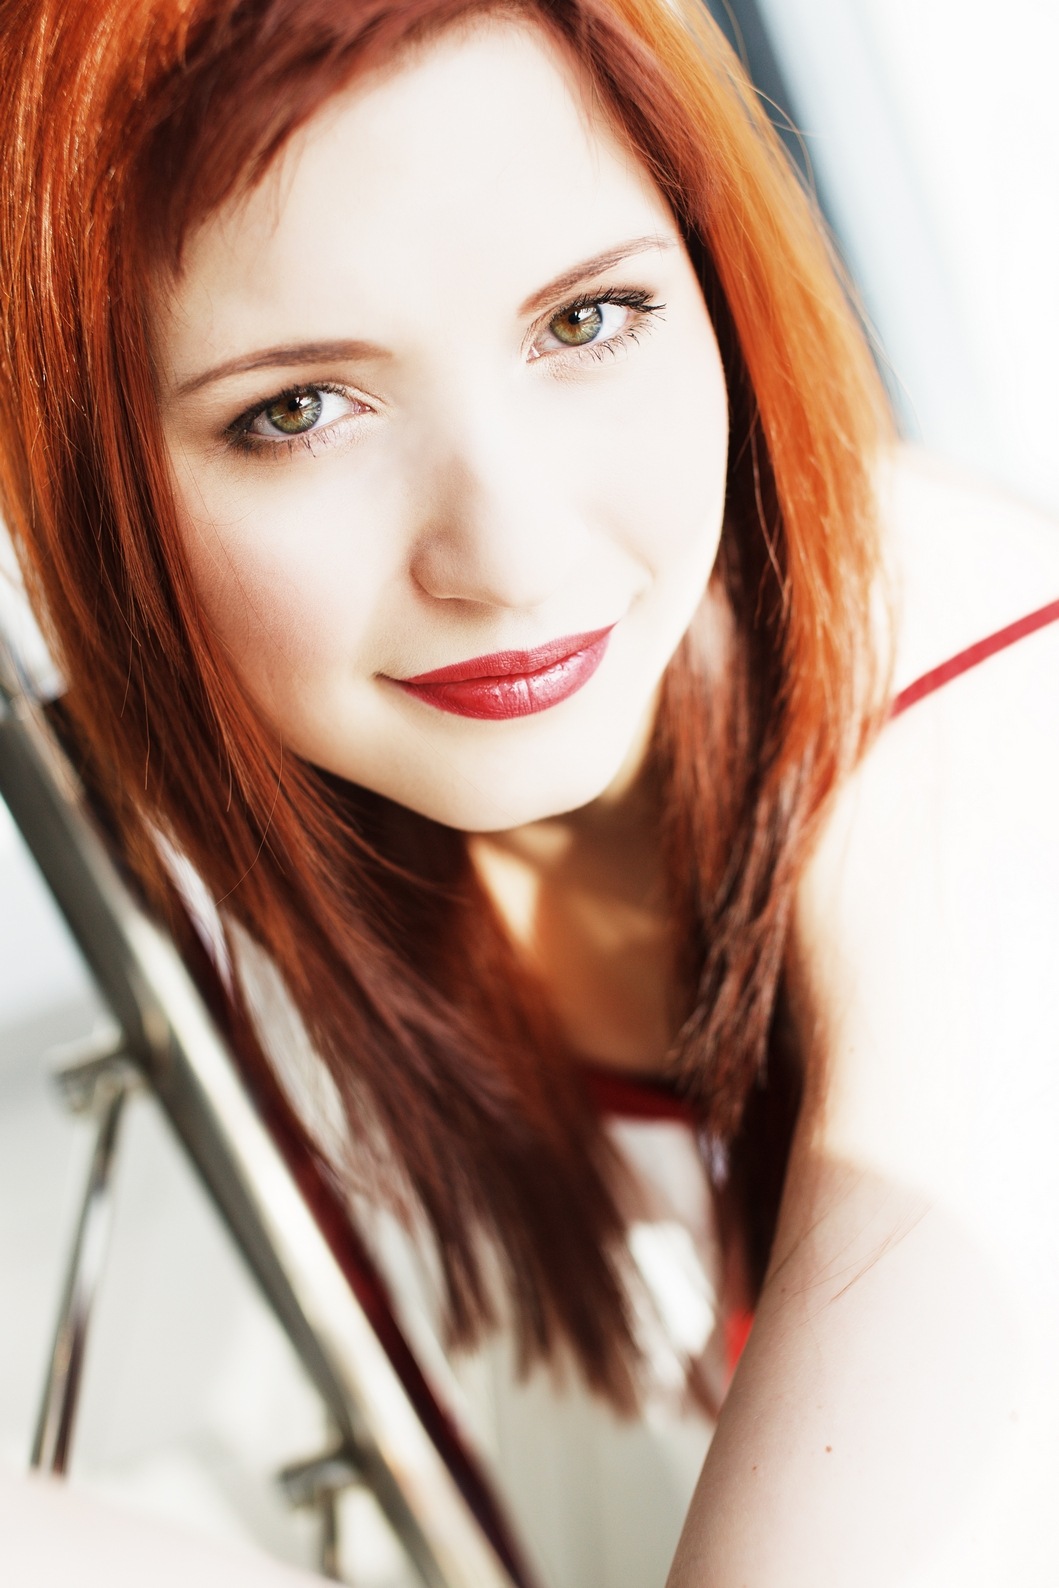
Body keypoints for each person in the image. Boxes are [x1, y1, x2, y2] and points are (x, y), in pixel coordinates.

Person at [2, 0, 1058, 1583]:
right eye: (298, 410)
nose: (508, 557)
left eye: (587, 320)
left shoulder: (992, 745)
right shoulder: (320, 845)